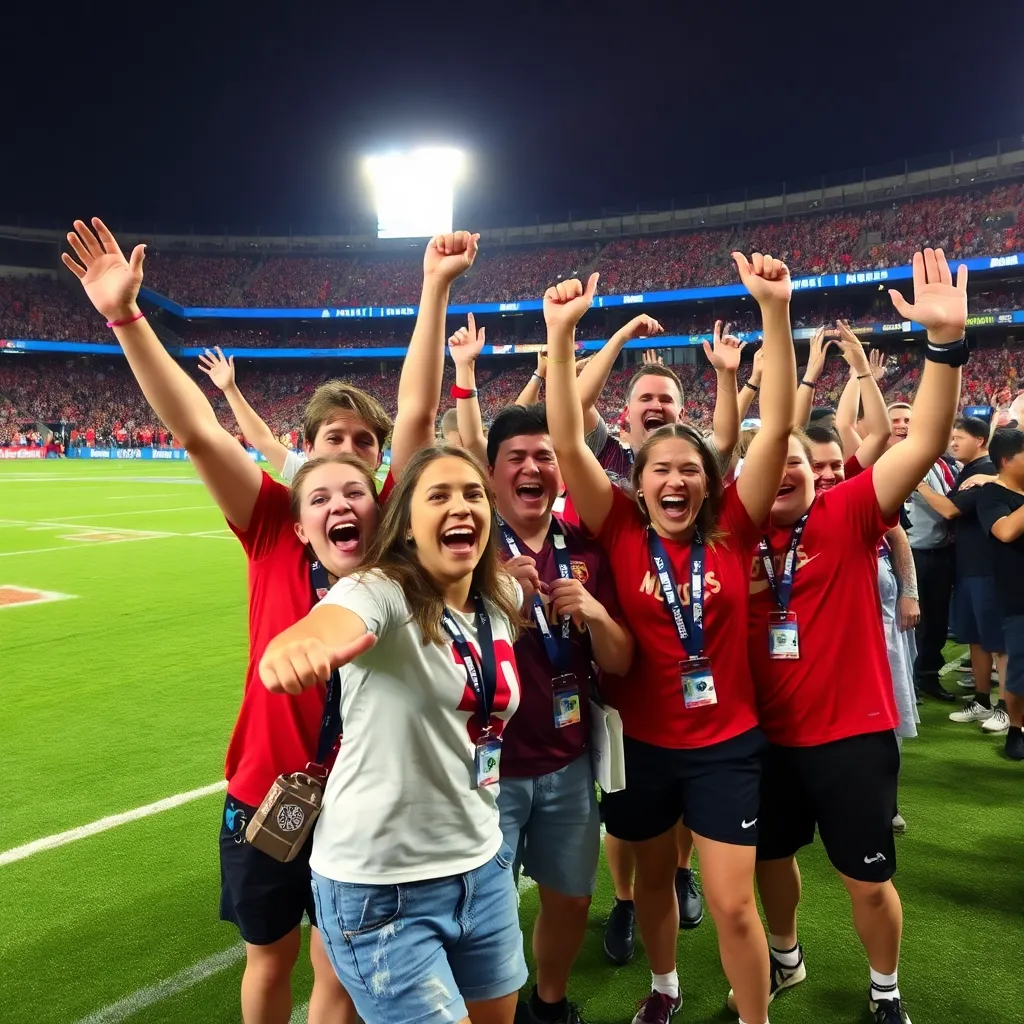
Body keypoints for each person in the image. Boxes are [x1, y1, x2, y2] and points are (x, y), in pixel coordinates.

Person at [62, 215, 479, 1024]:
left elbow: (420, 416)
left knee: (337, 970)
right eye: (333, 441)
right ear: (304, 457)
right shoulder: (272, 521)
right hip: (264, 793)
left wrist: (432, 290)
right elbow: (194, 429)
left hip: (363, 804)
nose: (352, 454)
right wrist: (125, 318)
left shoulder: (394, 531)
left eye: (366, 445)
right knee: (268, 961)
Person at [545, 252, 797, 1024]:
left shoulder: (733, 531)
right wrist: (561, 340)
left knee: (731, 905)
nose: (677, 481)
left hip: (726, 745)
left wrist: (775, 312)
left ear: (709, 481)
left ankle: (752, 1016)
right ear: (641, 480)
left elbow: (779, 423)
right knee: (652, 882)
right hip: (643, 745)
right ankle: (664, 989)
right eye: (662, 471)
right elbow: (565, 441)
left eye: (691, 470)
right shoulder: (618, 525)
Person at [747, 246, 969, 1024]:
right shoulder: (729, 532)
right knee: (771, 860)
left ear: (824, 471)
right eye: (774, 456)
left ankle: (885, 991)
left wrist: (943, 346)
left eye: (805, 462)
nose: (789, 469)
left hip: (852, 734)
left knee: (868, 879)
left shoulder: (846, 514)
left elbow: (926, 441)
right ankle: (786, 956)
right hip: (764, 737)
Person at [259, 445, 529, 1024]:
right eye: (439, 496)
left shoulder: (498, 602)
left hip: (483, 867)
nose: (461, 506)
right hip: (381, 888)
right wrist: (298, 647)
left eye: (473, 494)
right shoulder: (378, 591)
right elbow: (328, 622)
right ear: (406, 523)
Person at [480, 402, 634, 1024]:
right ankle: (492, 1008)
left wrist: (595, 614)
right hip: (487, 769)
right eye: (515, 457)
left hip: (569, 764)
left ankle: (548, 1004)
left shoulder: (588, 549)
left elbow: (620, 663)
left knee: (570, 900)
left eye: (544, 455)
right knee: (485, 911)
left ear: (562, 471)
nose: (532, 467)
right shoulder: (469, 546)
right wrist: (494, 605)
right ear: (491, 473)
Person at [916, 416, 1009, 730]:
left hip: (988, 569)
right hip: (969, 568)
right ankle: (982, 701)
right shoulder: (969, 471)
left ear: (980, 441)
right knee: (977, 640)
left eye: (959, 438)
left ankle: (1007, 708)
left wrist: (917, 483)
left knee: (997, 643)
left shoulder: (983, 471)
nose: (952, 443)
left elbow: (950, 509)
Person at [198, 346, 391, 484]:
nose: (348, 450)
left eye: (364, 441)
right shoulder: (303, 474)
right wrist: (230, 389)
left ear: (379, 459)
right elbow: (264, 441)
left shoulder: (392, 506)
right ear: (308, 448)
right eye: (334, 438)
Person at [975, 428, 1024, 761]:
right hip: (1017, 594)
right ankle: (1016, 728)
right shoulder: (991, 494)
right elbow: (1005, 531)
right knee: (1021, 668)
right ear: (1007, 460)